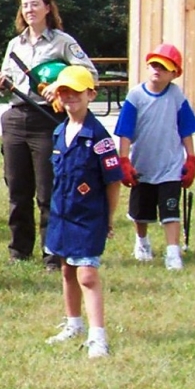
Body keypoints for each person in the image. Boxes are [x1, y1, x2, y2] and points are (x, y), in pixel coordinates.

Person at [0, 0, 97, 269]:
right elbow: (8, 83)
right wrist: (1, 83)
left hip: (47, 119)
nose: (30, 10)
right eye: (25, 5)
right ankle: (19, 251)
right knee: (17, 189)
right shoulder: (15, 45)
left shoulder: (62, 42)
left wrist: (61, 85)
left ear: (48, 8)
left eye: (35, 4)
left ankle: (53, 253)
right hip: (16, 118)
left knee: (48, 191)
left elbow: (89, 73)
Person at [42, 66, 123, 358]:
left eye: (76, 91)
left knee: (87, 275)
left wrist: (108, 217)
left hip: (88, 217)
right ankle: (73, 324)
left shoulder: (98, 137)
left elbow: (113, 181)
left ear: (91, 94)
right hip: (62, 214)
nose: (69, 97)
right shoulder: (59, 132)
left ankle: (98, 337)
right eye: (64, 91)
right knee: (67, 269)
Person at [115, 43, 195, 270]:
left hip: (170, 167)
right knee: (140, 212)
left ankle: (173, 252)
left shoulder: (176, 96)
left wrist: (191, 159)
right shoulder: (135, 96)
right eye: (154, 65)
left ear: (174, 73)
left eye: (163, 67)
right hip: (142, 166)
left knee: (170, 211)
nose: (157, 70)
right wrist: (124, 161)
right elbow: (125, 132)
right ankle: (142, 242)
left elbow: (186, 129)